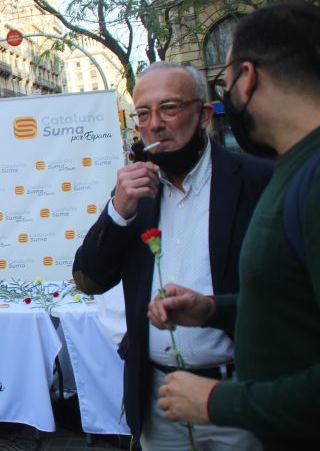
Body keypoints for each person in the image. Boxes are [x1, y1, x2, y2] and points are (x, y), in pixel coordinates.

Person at [72, 62, 271, 449]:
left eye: (169, 108)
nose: (155, 124)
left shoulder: (255, 180)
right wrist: (118, 210)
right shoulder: (136, 193)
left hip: (238, 395)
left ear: (204, 115)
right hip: (158, 400)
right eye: (143, 113)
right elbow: (88, 280)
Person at [148, 2, 320, 450]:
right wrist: (213, 309)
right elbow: (292, 303)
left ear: (247, 78)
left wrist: (219, 402)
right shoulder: (295, 169)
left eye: (224, 85)